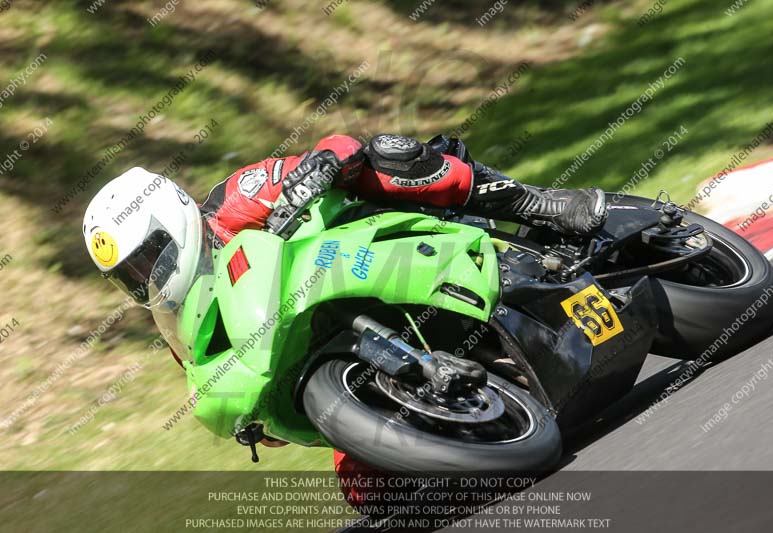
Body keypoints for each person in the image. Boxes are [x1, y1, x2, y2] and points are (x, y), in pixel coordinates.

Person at [82, 133, 607, 493]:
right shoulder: (187, 322)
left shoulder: (234, 202)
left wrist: (321, 166)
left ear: (172, 216)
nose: (147, 276)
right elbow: (240, 398)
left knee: (389, 154)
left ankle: (538, 204)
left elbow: (340, 146)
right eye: (131, 275)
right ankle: (481, 423)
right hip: (343, 351)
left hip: (384, 254)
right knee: (366, 489)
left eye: (150, 255)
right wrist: (250, 418)